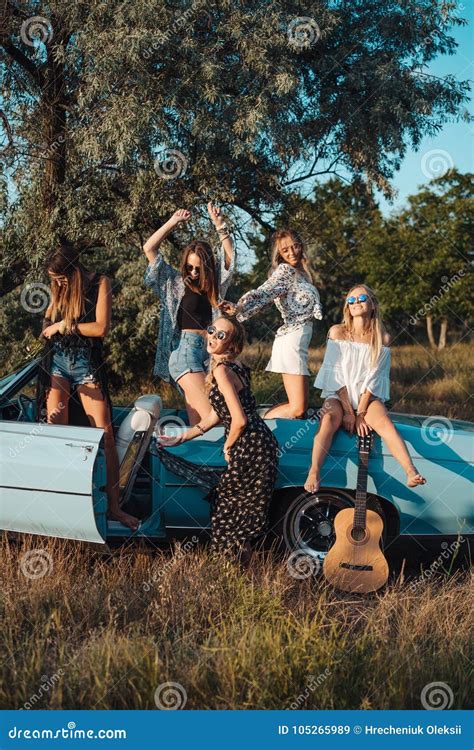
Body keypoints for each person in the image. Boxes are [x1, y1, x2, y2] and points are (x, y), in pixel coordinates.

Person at [160, 316, 279, 566]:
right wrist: (182, 436)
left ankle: (238, 573)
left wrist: (228, 445)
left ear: (233, 344)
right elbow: (216, 414)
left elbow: (239, 420)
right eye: (212, 330)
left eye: (221, 335)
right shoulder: (231, 367)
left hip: (251, 447)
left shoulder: (223, 371)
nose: (213, 337)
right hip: (258, 445)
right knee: (236, 513)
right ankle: (244, 574)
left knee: (229, 511)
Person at [37, 243, 139, 531]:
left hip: (86, 365)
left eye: (60, 278)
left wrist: (62, 326)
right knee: (56, 431)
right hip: (57, 362)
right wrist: (52, 322)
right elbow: (49, 320)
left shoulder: (100, 282)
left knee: (104, 435)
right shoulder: (59, 288)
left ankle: (115, 508)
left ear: (74, 270)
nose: (56, 283)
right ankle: (62, 504)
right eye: (53, 279)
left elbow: (100, 328)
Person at [304, 284, 427, 493]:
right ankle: (314, 471)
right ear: (347, 307)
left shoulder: (381, 338)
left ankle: (410, 471)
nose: (355, 303)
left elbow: (375, 378)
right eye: (350, 301)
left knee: (385, 423)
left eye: (361, 299)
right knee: (328, 420)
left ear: (372, 305)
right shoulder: (337, 332)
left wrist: (360, 412)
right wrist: (348, 412)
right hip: (338, 393)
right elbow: (335, 374)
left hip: (366, 396)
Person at [143, 203, 235, 425]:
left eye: (198, 269)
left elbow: (230, 260)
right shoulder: (174, 282)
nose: (193, 273)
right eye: (189, 268)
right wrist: (173, 222)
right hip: (185, 353)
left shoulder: (216, 287)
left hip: (208, 355)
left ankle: (190, 459)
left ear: (207, 268)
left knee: (199, 425)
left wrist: (219, 224)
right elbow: (149, 249)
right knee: (216, 418)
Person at [220, 228, 322, 419]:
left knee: (300, 407)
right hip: (291, 341)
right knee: (298, 408)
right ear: (280, 254)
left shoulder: (302, 274)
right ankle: (255, 422)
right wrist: (239, 307)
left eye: (295, 246)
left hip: (298, 341)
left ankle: (262, 425)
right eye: (285, 250)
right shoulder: (285, 271)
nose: (292, 253)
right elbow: (264, 292)